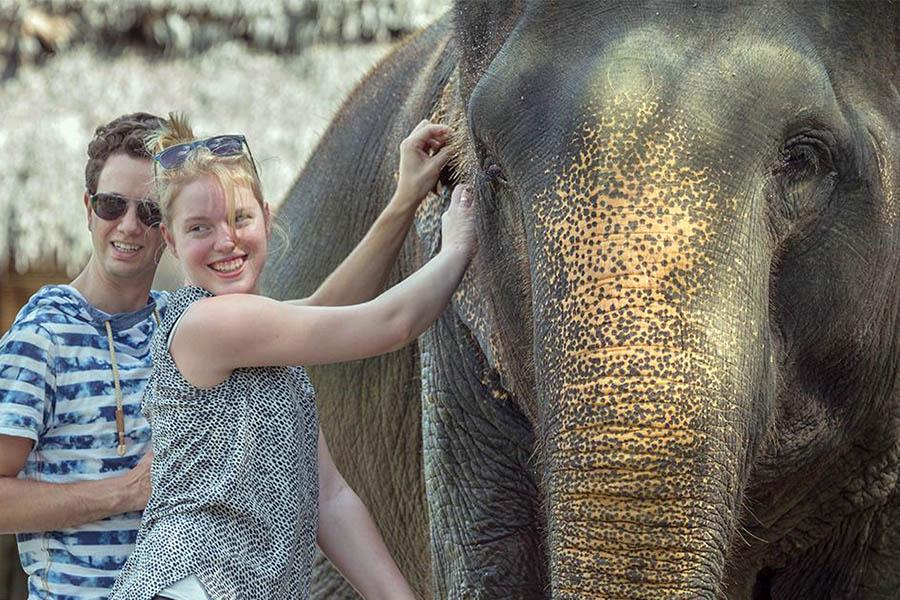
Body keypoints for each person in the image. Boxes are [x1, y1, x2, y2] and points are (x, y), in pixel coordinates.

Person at [107, 114, 473, 600]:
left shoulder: (267, 343)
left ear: (266, 215)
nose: (226, 240)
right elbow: (391, 324)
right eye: (200, 228)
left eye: (240, 218)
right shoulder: (208, 325)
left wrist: (404, 199)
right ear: (171, 242)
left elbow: (330, 498)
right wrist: (459, 243)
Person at [0, 112, 168, 599]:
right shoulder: (42, 335)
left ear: (171, 224)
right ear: (88, 208)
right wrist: (126, 492)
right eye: (113, 205)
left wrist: (396, 211)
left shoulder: (184, 328)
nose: (130, 226)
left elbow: (310, 318)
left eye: (151, 211)